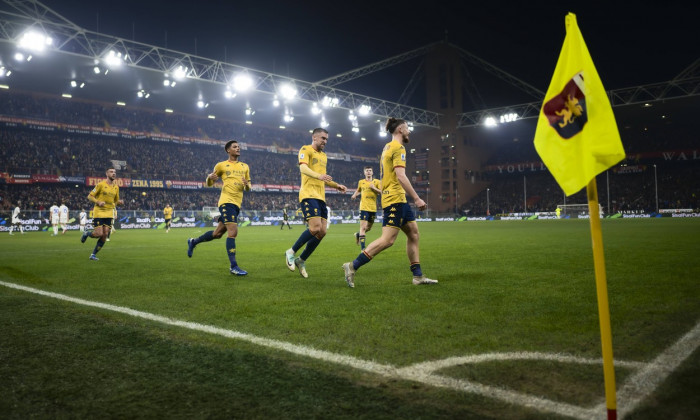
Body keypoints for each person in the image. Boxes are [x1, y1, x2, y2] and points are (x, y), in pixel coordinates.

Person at [342, 118, 438, 288]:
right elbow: (400, 175)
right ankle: (352, 266)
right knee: (387, 240)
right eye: (407, 128)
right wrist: (416, 198)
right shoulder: (398, 148)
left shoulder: (387, 147)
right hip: (395, 199)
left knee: (414, 234)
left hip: (396, 198)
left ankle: (417, 276)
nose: (409, 131)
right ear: (400, 129)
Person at [285, 128, 347, 278]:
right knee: (315, 228)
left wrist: (336, 185)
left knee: (322, 232)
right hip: (308, 194)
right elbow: (303, 167)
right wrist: (319, 176)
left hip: (320, 197)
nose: (325, 141)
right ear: (314, 137)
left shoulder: (323, 156)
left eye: (326, 139)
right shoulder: (305, 149)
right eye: (322, 138)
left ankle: (302, 260)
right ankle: (291, 252)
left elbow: (324, 178)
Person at [187, 140, 251, 276]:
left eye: (239, 146)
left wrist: (247, 185)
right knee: (233, 232)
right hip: (226, 202)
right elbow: (209, 183)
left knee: (217, 234)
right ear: (228, 150)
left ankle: (193, 242)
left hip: (236, 204)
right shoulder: (221, 165)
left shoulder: (245, 167)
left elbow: (249, 187)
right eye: (235, 147)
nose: (238, 148)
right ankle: (234, 266)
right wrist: (209, 178)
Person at [80, 167, 124, 260]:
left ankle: (93, 255)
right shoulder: (100, 185)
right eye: (111, 172)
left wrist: (119, 202)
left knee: (105, 235)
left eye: (115, 172)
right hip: (99, 212)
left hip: (109, 213)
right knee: (98, 234)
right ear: (107, 174)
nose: (113, 173)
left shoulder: (116, 187)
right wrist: (98, 202)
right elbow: (90, 196)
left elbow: (115, 201)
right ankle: (87, 233)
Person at [351, 166, 381, 250]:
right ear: (364, 172)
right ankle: (363, 248)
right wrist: (354, 195)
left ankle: (358, 234)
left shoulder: (377, 182)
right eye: (367, 171)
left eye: (370, 170)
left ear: (372, 172)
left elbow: (382, 192)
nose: (368, 172)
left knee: (368, 228)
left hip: (373, 208)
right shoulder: (361, 182)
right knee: (363, 228)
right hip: (363, 207)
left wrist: (373, 188)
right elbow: (358, 190)